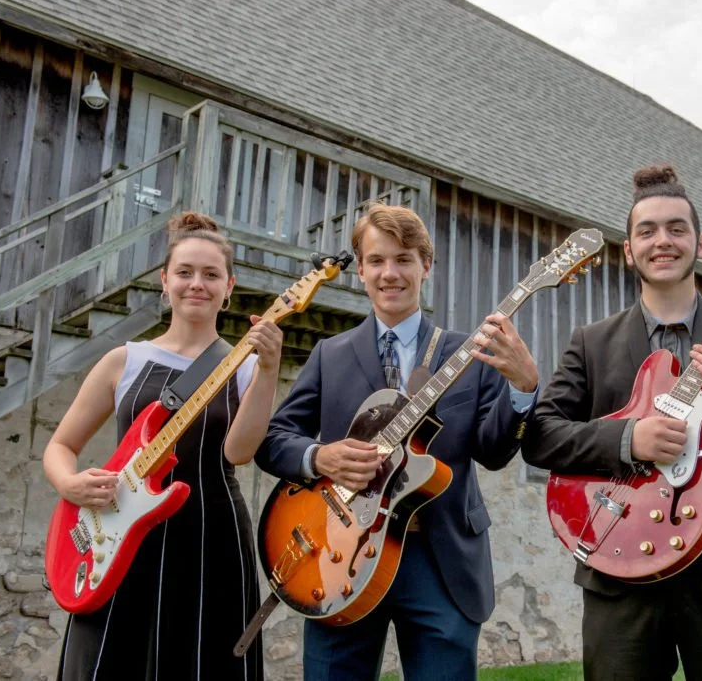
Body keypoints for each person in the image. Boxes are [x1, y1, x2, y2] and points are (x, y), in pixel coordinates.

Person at [522, 165, 702, 680]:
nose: (663, 241)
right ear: (629, 250)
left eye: (677, 229)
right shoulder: (592, 342)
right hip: (621, 566)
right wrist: (630, 437)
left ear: (701, 244)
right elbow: (541, 436)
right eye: (647, 231)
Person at [256, 202, 539, 680]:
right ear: (361, 270)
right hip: (337, 554)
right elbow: (273, 440)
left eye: (404, 259)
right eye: (377, 260)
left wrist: (523, 389)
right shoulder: (331, 354)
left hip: (441, 559)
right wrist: (321, 456)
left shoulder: (469, 353)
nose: (391, 273)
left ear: (426, 266)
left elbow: (494, 453)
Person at [44, 212, 283, 680]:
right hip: (117, 535)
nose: (198, 284)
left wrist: (269, 369)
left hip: (210, 535)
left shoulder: (246, 369)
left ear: (229, 286)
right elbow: (61, 444)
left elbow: (239, 452)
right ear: (165, 281)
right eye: (185, 272)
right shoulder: (124, 361)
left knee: (201, 661)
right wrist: (70, 484)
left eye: (211, 274)